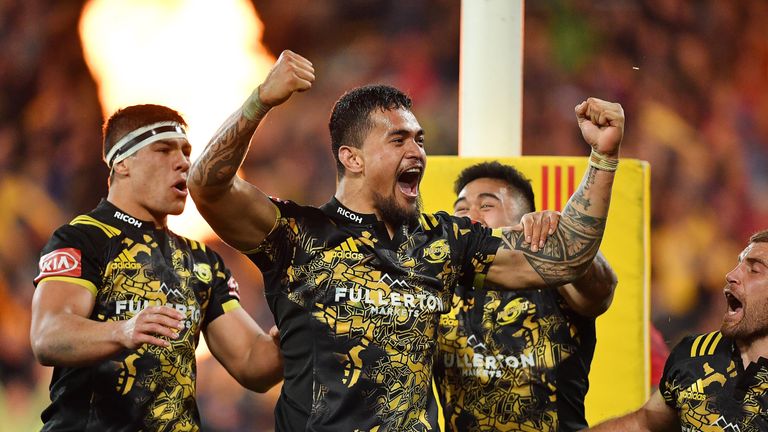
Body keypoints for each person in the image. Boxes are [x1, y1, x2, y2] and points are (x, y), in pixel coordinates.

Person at [188, 50, 625, 431]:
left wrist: (603, 157)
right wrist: (260, 100)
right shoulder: (296, 234)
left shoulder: (446, 242)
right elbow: (208, 186)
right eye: (397, 140)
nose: (416, 151)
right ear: (351, 158)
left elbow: (566, 258)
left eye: (419, 139)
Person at [30, 104, 283, 431]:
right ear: (122, 163)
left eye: (186, 151)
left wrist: (291, 339)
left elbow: (251, 363)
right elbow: (47, 335)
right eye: (164, 150)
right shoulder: (82, 238)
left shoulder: (202, 262)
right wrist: (121, 331)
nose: (183, 162)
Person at [435, 161, 618, 431]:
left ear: (524, 221)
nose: (469, 217)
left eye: (486, 205)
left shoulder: (559, 281)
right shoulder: (438, 288)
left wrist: (561, 241)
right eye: (461, 208)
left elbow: (602, 289)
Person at [586, 229, 768, 431]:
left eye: (754, 270)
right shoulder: (694, 354)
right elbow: (644, 423)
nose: (731, 274)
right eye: (739, 264)